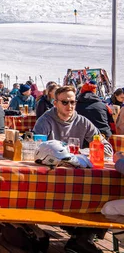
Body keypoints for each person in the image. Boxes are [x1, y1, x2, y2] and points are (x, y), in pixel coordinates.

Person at [33, 85, 113, 253]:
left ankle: (82, 237)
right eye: (65, 102)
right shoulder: (45, 121)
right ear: (55, 103)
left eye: (73, 102)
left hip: (78, 173)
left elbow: (107, 149)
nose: (69, 106)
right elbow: (36, 150)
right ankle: (79, 236)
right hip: (52, 177)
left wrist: (83, 152)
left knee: (106, 191)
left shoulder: (82, 121)